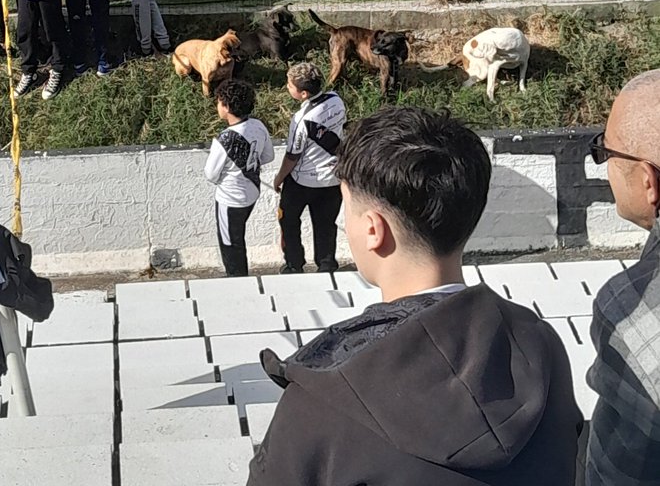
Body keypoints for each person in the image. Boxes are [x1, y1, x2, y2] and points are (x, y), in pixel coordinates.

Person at [248, 105, 582, 484]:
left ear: (374, 230)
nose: (342, 222)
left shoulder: (319, 401)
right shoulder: (539, 344)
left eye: (347, 207)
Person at [585, 70, 660, 485]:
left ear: (649, 181)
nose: (605, 166)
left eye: (605, 152)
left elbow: (617, 473)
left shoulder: (632, 306)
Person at [273, 62, 345, 274]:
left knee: (288, 220)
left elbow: (293, 155)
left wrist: (279, 178)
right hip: (332, 178)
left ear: (303, 93)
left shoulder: (301, 119)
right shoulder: (336, 100)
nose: (287, 87)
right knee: (326, 225)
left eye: (290, 85)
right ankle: (327, 264)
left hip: (302, 180)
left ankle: (294, 265)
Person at [204, 80, 274, 278]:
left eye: (218, 102)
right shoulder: (258, 125)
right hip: (252, 192)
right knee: (238, 236)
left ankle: (237, 279)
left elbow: (211, 174)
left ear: (226, 107)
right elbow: (268, 156)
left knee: (230, 243)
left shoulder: (224, 139)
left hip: (230, 198)